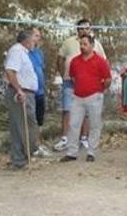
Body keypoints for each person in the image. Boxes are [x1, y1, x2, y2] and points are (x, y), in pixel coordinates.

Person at [54, 19, 106, 152]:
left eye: (86, 28)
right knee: (67, 110)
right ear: (77, 29)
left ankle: (84, 139)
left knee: (87, 113)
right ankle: (65, 139)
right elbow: (60, 59)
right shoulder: (68, 42)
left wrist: (100, 83)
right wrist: (63, 74)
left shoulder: (96, 44)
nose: (84, 30)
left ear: (90, 29)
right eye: (81, 28)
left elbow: (103, 63)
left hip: (89, 85)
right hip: (70, 82)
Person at [60, 34, 112, 163]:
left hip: (95, 96)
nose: (82, 47)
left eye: (85, 44)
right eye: (81, 44)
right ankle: (72, 152)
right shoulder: (75, 61)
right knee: (73, 124)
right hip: (78, 96)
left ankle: (91, 152)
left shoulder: (100, 61)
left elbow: (108, 79)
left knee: (94, 124)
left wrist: (99, 90)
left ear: (92, 45)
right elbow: (72, 77)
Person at [4, 29, 43, 168]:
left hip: (26, 92)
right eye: (33, 40)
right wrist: (19, 90)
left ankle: (20, 159)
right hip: (21, 93)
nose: (35, 42)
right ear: (26, 40)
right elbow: (10, 71)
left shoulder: (23, 52)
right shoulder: (17, 51)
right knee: (26, 125)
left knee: (20, 126)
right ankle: (24, 156)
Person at [26, 28, 51, 156]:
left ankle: (37, 144)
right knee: (30, 120)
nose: (38, 38)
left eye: (39, 36)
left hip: (40, 91)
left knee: (39, 120)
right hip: (29, 92)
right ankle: (31, 147)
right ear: (29, 36)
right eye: (36, 35)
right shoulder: (23, 52)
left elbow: (41, 69)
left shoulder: (39, 53)